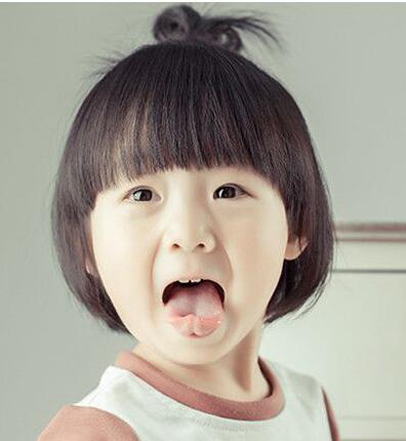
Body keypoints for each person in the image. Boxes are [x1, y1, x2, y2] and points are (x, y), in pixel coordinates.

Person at [38, 4, 340, 440]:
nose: (189, 234)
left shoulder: (310, 406)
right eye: (142, 195)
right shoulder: (100, 431)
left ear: (295, 226)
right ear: (87, 245)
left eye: (228, 191)